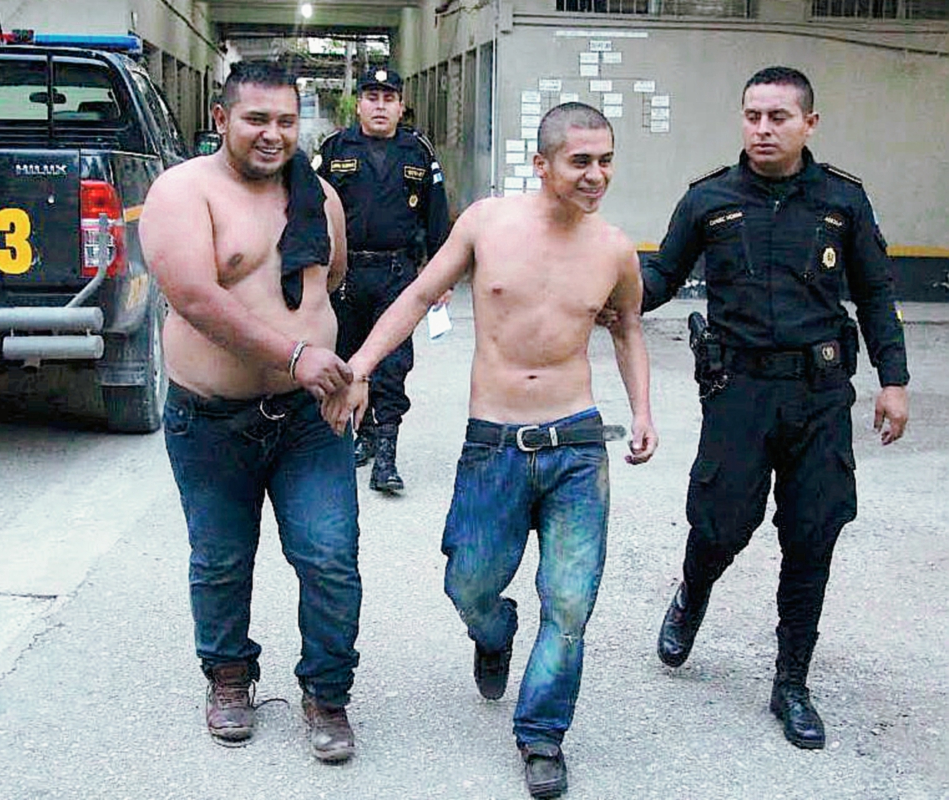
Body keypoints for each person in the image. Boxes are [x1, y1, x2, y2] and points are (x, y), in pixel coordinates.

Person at [325, 102, 657, 799]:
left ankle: (541, 735)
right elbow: (418, 296)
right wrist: (358, 367)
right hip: (494, 441)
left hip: (575, 442)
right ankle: (494, 631)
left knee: (569, 602)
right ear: (542, 164)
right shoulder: (486, 224)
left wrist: (644, 412)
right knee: (469, 584)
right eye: (580, 161)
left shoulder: (615, 249)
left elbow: (627, 329)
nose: (596, 175)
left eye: (606, 161)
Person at [638, 66, 909, 750]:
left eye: (778, 117)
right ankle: (692, 594)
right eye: (753, 115)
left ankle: (792, 680)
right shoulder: (709, 199)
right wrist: (598, 293)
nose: (763, 128)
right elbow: (661, 276)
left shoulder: (843, 201)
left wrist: (894, 381)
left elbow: (876, 295)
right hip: (738, 394)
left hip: (818, 395)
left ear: (808, 124)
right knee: (721, 523)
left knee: (812, 533)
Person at [140, 60, 362, 763]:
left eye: (287, 121)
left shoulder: (320, 196)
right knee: (221, 560)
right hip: (211, 421)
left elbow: (332, 280)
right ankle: (229, 678)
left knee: (329, 558)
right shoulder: (183, 193)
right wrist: (293, 354)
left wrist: (321, 367)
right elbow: (197, 299)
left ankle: (327, 694)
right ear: (221, 120)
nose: (273, 135)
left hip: (308, 419)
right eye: (256, 119)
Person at [314, 66, 450, 494]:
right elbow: (312, 211)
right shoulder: (335, 149)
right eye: (371, 97)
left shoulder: (418, 151)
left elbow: (436, 213)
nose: (379, 106)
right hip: (346, 275)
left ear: (400, 106)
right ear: (359, 104)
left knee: (392, 365)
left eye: (388, 98)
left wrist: (440, 272)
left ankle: (386, 456)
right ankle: (360, 438)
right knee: (346, 358)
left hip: (397, 275)